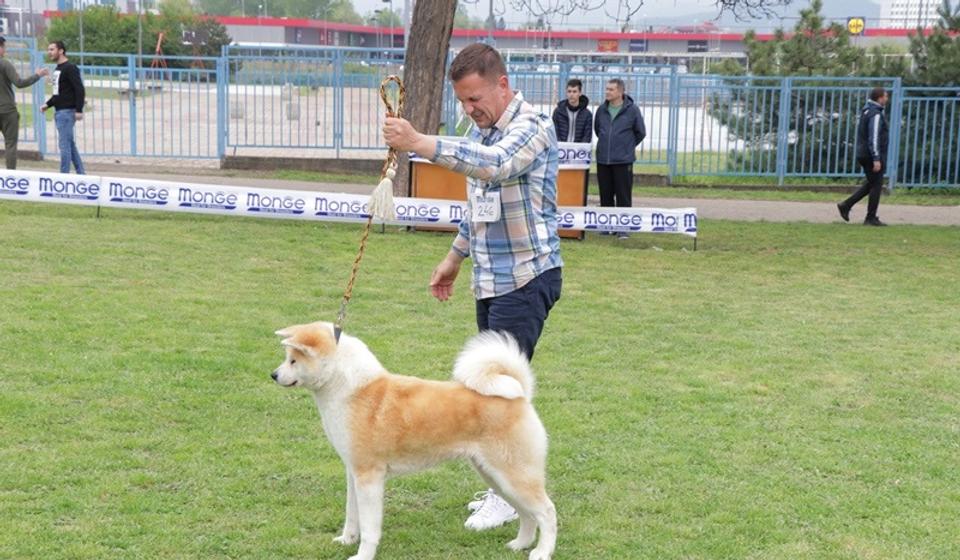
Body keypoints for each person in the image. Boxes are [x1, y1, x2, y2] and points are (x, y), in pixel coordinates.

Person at [382, 43, 562, 533]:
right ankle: (501, 487)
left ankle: (508, 495)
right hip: (490, 279)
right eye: (462, 102)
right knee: (485, 389)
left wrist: (419, 141)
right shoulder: (481, 131)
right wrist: (454, 258)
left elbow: (495, 166)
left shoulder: (533, 128)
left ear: (502, 84)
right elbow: (481, 204)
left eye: (475, 98)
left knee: (496, 398)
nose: (470, 109)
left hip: (526, 278)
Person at [594, 78, 646, 239]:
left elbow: (640, 132)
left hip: (623, 160)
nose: (607, 92)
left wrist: (626, 147)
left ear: (620, 92)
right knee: (606, 194)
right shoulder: (601, 110)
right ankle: (607, 225)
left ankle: (623, 227)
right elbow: (598, 130)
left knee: (623, 195)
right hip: (603, 159)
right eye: (607, 89)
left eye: (611, 89)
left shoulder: (632, 110)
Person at [838, 87, 889, 226]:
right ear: (879, 98)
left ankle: (846, 205)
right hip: (870, 155)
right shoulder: (875, 114)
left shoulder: (866, 110)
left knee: (872, 183)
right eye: (886, 96)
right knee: (876, 184)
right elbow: (873, 137)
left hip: (863, 153)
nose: (887, 99)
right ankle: (870, 218)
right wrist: (876, 158)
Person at [0, 36, 48, 169]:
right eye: (4, 47)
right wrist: (37, 75)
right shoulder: (4, 64)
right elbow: (19, 83)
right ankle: (11, 174)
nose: (5, 50)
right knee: (10, 144)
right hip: (7, 111)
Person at [40, 40, 85, 175]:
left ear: (61, 51)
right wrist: (47, 105)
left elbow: (79, 89)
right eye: (48, 49)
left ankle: (63, 177)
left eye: (52, 49)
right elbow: (57, 94)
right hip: (60, 111)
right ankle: (81, 174)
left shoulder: (70, 68)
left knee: (64, 146)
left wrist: (79, 110)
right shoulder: (57, 70)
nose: (49, 52)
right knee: (70, 145)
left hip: (67, 112)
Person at [552, 78, 592, 144]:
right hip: (561, 149)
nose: (571, 94)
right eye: (569, 91)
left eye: (574, 91)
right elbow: (554, 132)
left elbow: (587, 136)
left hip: (578, 151)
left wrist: (578, 149)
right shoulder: (558, 112)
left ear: (580, 93)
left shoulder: (587, 114)